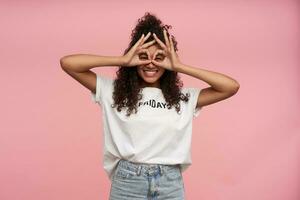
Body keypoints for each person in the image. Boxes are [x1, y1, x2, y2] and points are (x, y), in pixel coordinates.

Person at [60, 12, 239, 200]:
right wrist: (122, 60)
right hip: (128, 182)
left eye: (159, 57)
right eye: (143, 56)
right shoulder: (112, 91)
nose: (150, 63)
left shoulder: (183, 98)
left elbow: (231, 87)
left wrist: (179, 66)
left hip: (170, 184)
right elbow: (68, 63)